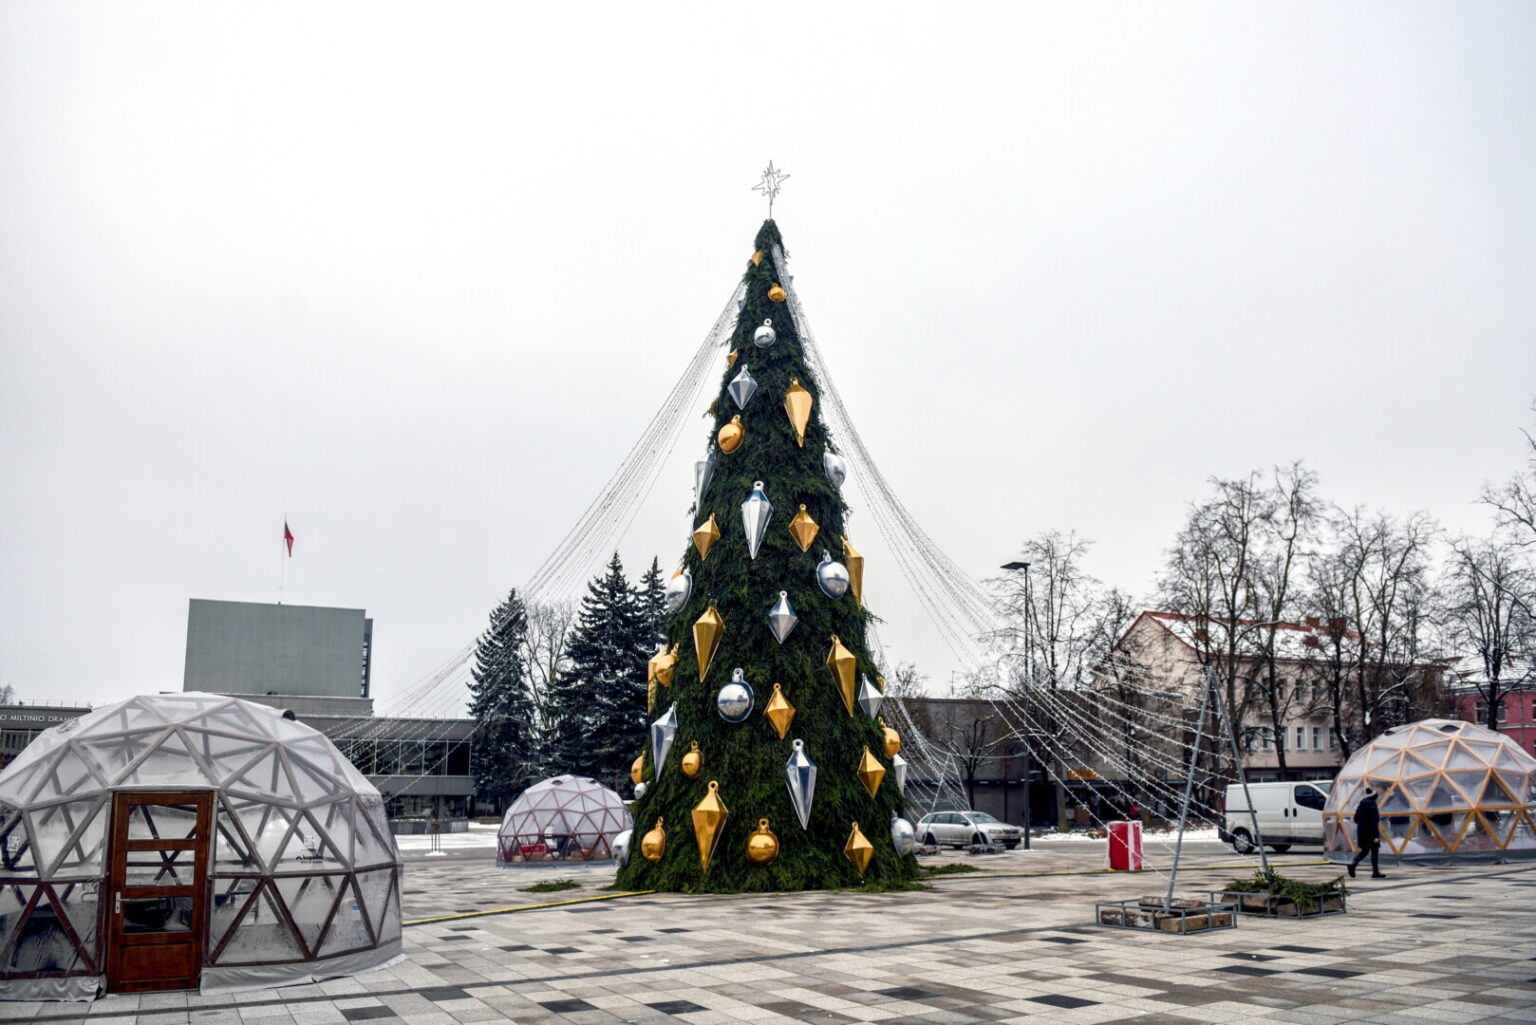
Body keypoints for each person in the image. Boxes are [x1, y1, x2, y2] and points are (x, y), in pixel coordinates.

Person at [1348, 788, 1385, 879]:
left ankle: (1353, 864)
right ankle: (1375, 872)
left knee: (1365, 851)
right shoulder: (1373, 806)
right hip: (1371, 833)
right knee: (1374, 851)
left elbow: (1356, 819)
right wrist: (1375, 836)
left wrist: (1362, 824)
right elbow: (1374, 822)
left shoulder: (1361, 805)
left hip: (1362, 832)